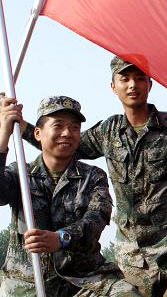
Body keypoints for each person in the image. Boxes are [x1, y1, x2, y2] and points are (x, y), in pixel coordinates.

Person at [17, 56, 167, 297]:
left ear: (149, 84)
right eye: (125, 79)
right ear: (114, 86)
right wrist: (20, 125)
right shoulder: (107, 132)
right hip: (133, 249)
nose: (132, 85)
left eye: (139, 78)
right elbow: (63, 144)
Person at [0, 96, 140, 296]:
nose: (67, 133)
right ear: (37, 134)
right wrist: (4, 134)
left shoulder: (93, 177)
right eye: (58, 126)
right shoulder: (20, 175)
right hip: (27, 284)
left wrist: (61, 238)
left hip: (83, 280)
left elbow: (96, 219)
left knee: (125, 293)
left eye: (74, 127)